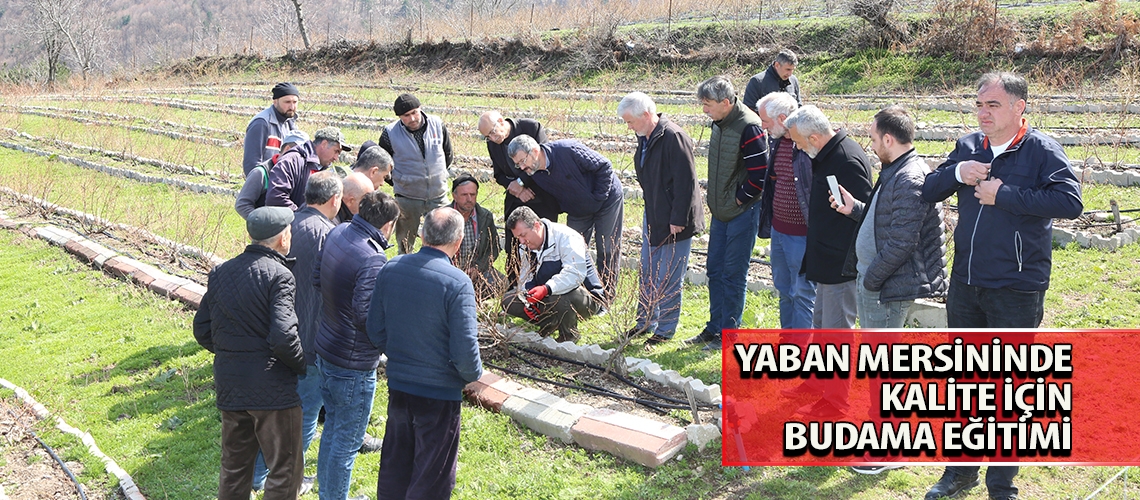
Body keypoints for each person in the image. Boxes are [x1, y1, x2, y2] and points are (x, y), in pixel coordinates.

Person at [920, 72, 1083, 500]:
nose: (983, 112)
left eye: (993, 105)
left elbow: (1070, 201)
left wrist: (1004, 194)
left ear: (1018, 107)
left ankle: (1001, 483)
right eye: (979, 104)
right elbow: (929, 189)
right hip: (966, 283)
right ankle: (959, 473)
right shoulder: (969, 146)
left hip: (1016, 286)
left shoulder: (1041, 150)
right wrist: (958, 171)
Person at [366, 207, 483, 499]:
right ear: (457, 242)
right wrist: (472, 376)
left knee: (396, 465)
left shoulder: (391, 268)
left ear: (422, 234)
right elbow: (465, 349)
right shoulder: (457, 283)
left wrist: (400, 356)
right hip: (439, 393)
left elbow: (374, 328)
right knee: (431, 476)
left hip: (400, 385)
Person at [193, 206, 306, 500]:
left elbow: (202, 328)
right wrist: (300, 364)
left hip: (231, 386)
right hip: (273, 390)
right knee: (285, 469)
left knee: (234, 468)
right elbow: (283, 335)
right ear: (282, 238)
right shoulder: (280, 275)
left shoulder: (221, 272)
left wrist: (233, 354)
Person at [249, 171, 342, 495]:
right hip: (310, 342)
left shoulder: (285, 227)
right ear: (335, 200)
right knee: (303, 416)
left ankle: (257, 476)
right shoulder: (330, 235)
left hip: (276, 336)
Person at [781, 104, 873, 419]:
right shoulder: (827, 155)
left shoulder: (846, 160)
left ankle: (835, 403)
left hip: (841, 264)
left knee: (836, 335)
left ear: (816, 136)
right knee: (821, 327)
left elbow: (863, 217)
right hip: (825, 258)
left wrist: (841, 262)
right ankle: (815, 384)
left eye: (798, 142)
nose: (795, 147)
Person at [314, 191, 401, 500]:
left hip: (326, 345)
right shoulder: (373, 256)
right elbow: (366, 316)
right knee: (347, 440)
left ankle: (328, 493)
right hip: (352, 361)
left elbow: (316, 278)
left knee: (334, 428)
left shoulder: (338, 231)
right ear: (388, 224)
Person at [830, 106, 948, 329]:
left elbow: (902, 243)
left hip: (885, 287)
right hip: (877, 282)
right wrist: (854, 208)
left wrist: (871, 280)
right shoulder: (896, 170)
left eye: (873, 140)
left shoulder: (909, 178)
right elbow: (887, 220)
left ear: (888, 139)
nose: (871, 147)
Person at [683, 76, 767, 351]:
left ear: (726, 103)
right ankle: (714, 327)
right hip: (721, 212)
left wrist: (736, 199)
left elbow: (759, 175)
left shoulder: (750, 126)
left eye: (708, 105)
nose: (704, 110)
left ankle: (729, 333)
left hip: (742, 212)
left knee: (733, 273)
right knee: (715, 270)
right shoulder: (719, 123)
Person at [616, 92, 703, 347]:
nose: (628, 127)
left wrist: (677, 219)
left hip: (675, 219)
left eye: (630, 121)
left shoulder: (673, 137)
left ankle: (664, 329)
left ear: (646, 114)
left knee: (668, 275)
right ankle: (644, 321)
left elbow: (686, 182)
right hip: (654, 213)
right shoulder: (645, 137)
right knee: (648, 270)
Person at [507, 135, 623, 299]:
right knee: (575, 248)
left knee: (607, 247)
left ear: (534, 151)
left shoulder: (566, 150)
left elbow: (604, 166)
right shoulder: (534, 172)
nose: (521, 166)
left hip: (606, 199)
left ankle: (607, 297)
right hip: (577, 208)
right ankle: (583, 295)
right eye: (517, 164)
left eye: (522, 161)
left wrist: (598, 197)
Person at [756, 92, 816, 333]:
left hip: (802, 235)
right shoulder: (778, 141)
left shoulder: (808, 145)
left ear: (782, 118)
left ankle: (803, 353)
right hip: (780, 231)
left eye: (766, 122)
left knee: (802, 293)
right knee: (783, 290)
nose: (762, 126)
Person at [478, 110, 562, 283]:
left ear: (501, 121)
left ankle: (546, 287)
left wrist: (521, 182)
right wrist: (515, 187)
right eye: (488, 137)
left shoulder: (530, 127)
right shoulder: (493, 144)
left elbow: (541, 160)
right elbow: (499, 174)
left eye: (493, 132)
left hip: (541, 194)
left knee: (542, 242)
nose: (493, 138)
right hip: (516, 197)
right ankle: (515, 289)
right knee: (514, 244)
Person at [501, 206, 606, 344]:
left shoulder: (568, 237)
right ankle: (550, 322)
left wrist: (546, 288)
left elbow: (575, 274)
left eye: (523, 235)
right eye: (518, 237)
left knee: (560, 294)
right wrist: (527, 300)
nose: (521, 241)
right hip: (548, 295)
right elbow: (525, 278)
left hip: (584, 298)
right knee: (509, 300)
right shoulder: (525, 247)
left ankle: (568, 335)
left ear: (536, 226)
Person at [377, 93, 453, 254]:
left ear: (420, 109)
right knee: (405, 242)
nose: (412, 118)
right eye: (406, 116)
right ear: (399, 117)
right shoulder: (390, 133)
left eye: (414, 112)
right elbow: (384, 162)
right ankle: (405, 270)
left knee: (443, 238)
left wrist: (438, 175)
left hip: (437, 195)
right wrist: (399, 181)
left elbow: (447, 154)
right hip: (407, 198)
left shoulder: (437, 124)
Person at [267, 127, 352, 211]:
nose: (336, 158)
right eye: (336, 151)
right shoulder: (291, 161)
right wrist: (300, 216)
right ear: (324, 144)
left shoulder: (322, 168)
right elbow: (276, 197)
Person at [449, 174, 504, 300]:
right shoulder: (443, 216)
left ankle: (471, 299)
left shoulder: (485, 216)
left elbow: (494, 248)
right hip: (449, 270)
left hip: (477, 271)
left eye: (472, 195)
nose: (469, 199)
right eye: (464, 195)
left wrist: (477, 268)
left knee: (502, 284)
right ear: (454, 196)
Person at [236, 130, 309, 219]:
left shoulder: (300, 173)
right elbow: (242, 204)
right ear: (288, 149)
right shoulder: (261, 173)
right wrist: (262, 223)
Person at [244, 83, 299, 175]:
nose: (292, 107)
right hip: (266, 184)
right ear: (275, 102)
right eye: (287, 102)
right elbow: (251, 163)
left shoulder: (290, 123)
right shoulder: (261, 123)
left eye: (295, 102)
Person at [743, 49, 801, 114]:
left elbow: (799, 108)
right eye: (788, 69)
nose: (790, 74)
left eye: (792, 70)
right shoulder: (757, 82)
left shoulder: (793, 80)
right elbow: (749, 110)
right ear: (777, 65)